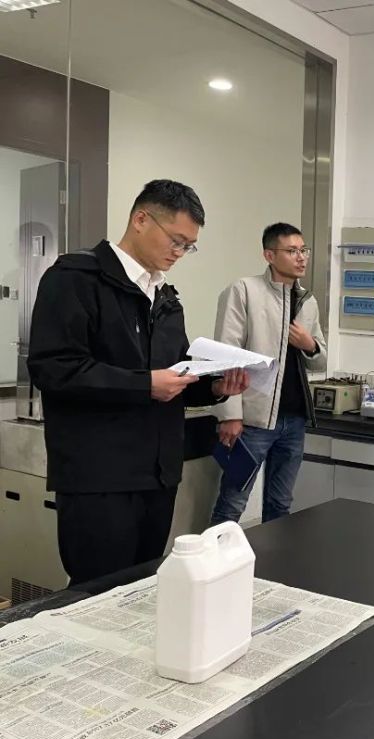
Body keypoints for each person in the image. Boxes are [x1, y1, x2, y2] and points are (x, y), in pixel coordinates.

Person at [27, 179, 249, 586]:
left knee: (142, 589)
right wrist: (144, 385)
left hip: (158, 474)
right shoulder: (75, 279)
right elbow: (54, 369)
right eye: (176, 241)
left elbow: (174, 373)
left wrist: (216, 387)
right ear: (141, 220)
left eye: (188, 246)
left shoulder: (164, 296)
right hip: (100, 477)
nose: (179, 253)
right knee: (97, 593)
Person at [209, 222, 327, 525]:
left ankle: (275, 557)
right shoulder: (244, 291)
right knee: (232, 503)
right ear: (269, 255)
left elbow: (320, 362)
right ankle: (217, 556)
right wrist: (230, 415)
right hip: (252, 422)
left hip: (294, 420)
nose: (301, 257)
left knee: (280, 504)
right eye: (292, 251)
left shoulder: (308, 301)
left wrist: (309, 344)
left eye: (303, 250)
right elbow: (225, 355)